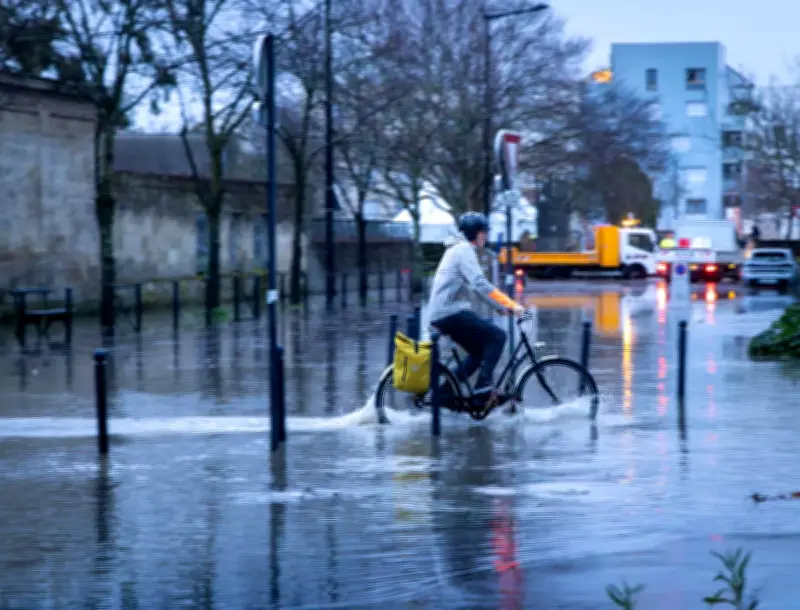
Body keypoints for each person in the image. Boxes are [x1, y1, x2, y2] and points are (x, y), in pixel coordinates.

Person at [427, 212, 526, 409]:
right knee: (497, 336)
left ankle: (445, 393)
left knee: (479, 352)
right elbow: (479, 283)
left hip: (445, 312)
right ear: (474, 233)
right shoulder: (463, 249)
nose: (486, 236)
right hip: (449, 313)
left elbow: (475, 288)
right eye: (483, 232)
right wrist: (510, 305)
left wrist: (499, 308)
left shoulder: (459, 248)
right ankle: (483, 388)